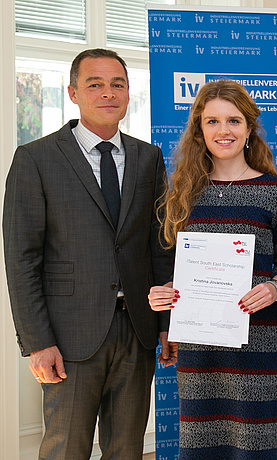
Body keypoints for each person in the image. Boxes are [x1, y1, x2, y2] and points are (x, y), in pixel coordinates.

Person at [3, 48, 174, 459]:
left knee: (127, 449)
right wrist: (37, 342)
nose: (108, 93)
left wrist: (167, 323)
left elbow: (159, 246)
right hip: (68, 338)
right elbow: (21, 258)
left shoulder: (147, 157)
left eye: (118, 84)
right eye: (94, 84)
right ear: (73, 93)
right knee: (66, 450)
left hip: (137, 330)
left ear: (129, 94)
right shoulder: (35, 159)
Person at [147, 80, 277, 458]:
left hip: (257, 348)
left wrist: (276, 287)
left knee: (254, 452)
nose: (223, 130)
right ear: (200, 129)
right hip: (199, 351)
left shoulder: (275, 191)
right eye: (212, 121)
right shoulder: (181, 192)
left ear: (249, 129)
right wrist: (162, 292)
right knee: (200, 452)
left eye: (233, 121)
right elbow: (172, 266)